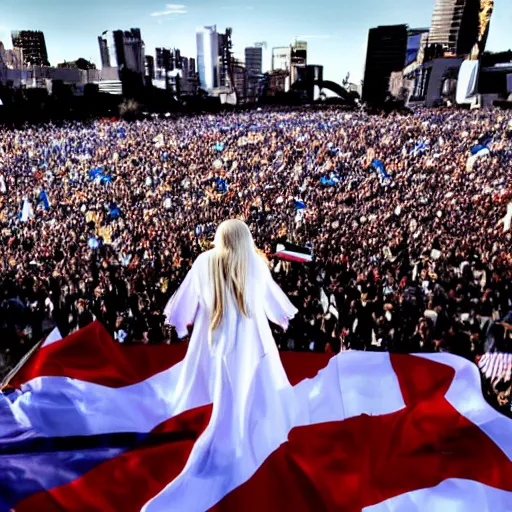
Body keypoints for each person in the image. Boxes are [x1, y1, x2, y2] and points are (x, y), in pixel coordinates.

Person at [146, 219, 301, 511]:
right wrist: (282, 317)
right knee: (251, 388)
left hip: (212, 338)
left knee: (214, 384)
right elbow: (272, 301)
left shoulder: (204, 262)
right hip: (251, 341)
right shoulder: (255, 263)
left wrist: (180, 324)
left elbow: (183, 303)